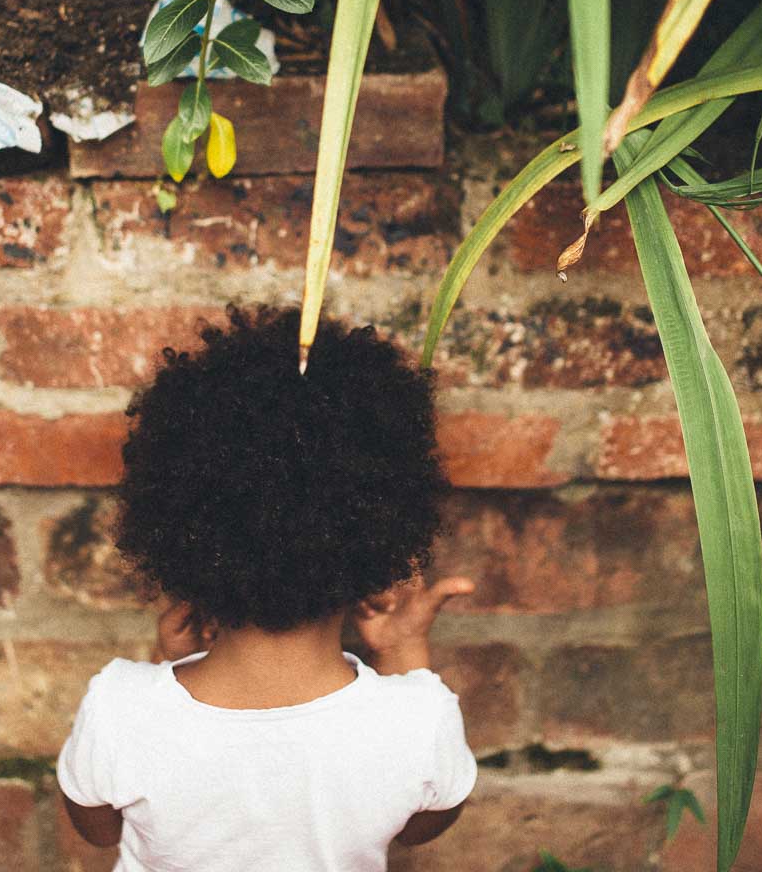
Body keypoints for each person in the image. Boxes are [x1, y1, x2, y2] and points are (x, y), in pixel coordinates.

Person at [57, 306, 478, 871]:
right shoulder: (418, 722)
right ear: (380, 529)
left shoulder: (119, 709)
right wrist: (401, 651)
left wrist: (167, 664)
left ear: (179, 528)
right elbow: (418, 828)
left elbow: (98, 829)